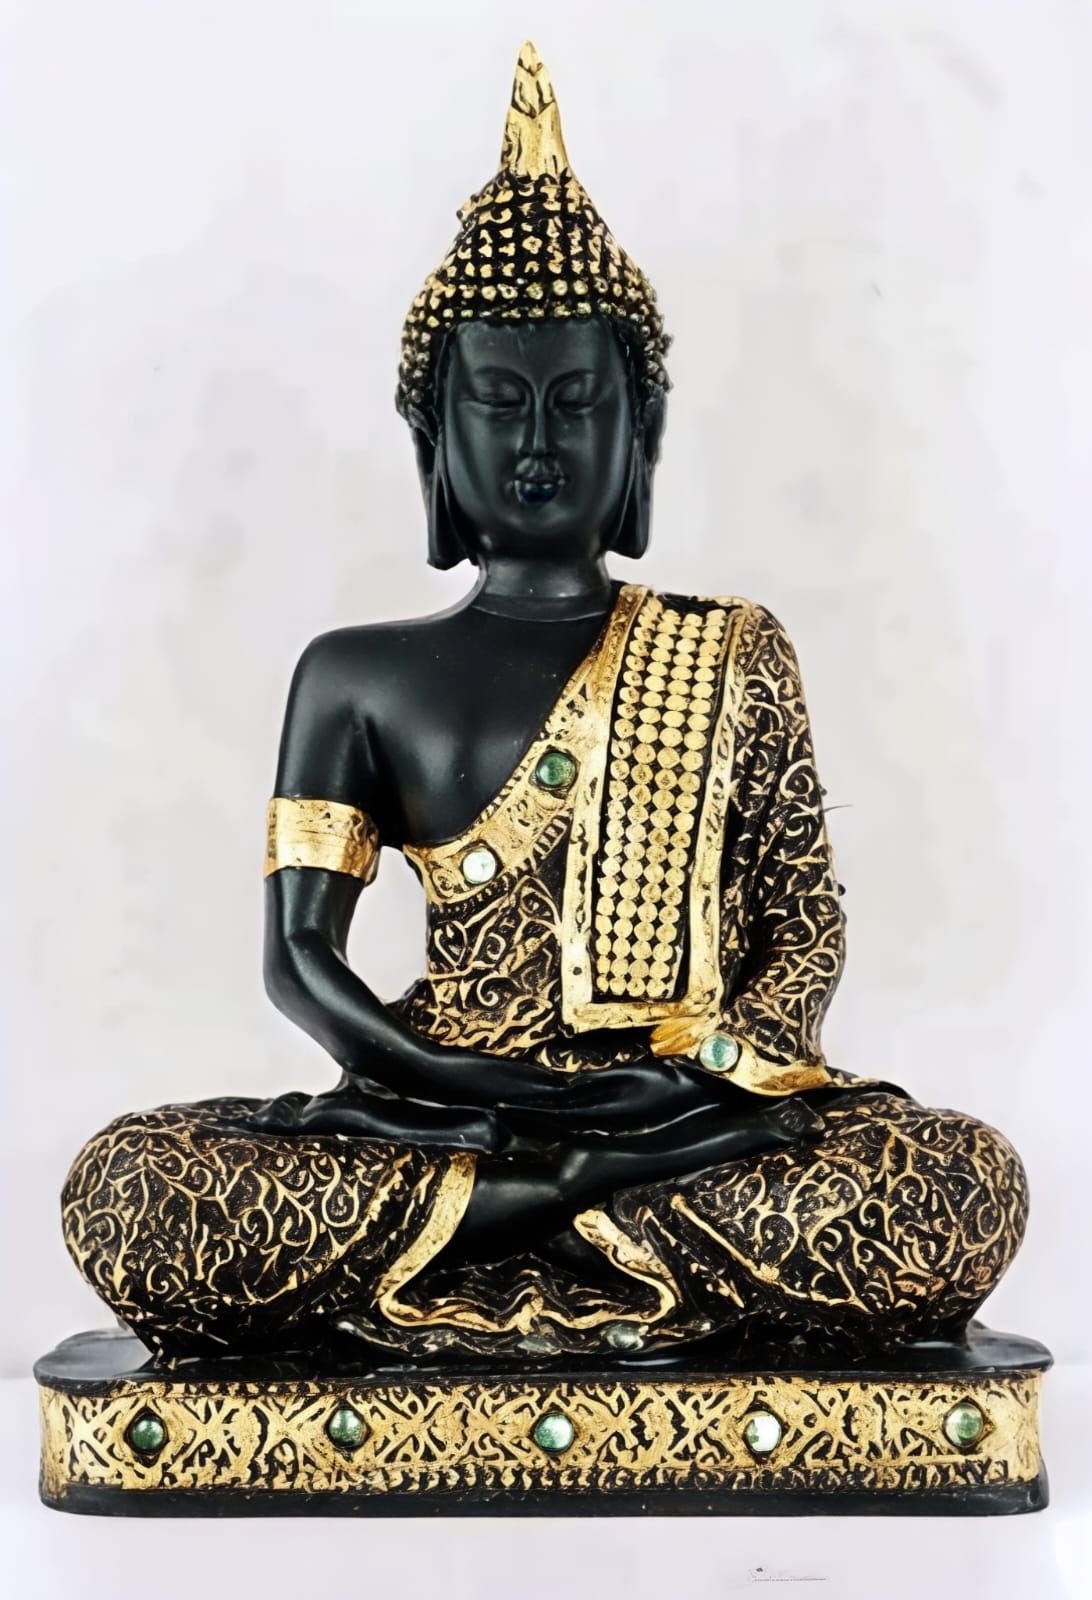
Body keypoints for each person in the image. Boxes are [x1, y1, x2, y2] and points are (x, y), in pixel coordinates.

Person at [62, 44, 1027, 1364]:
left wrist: (700, 1076)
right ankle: (559, 1201)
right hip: (435, 1113)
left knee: (958, 1184)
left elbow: (804, 931)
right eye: (497, 403)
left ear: (641, 435)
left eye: (576, 404)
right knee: (130, 1186)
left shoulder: (734, 652)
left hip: (684, 1119)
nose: (535, 443)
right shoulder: (353, 675)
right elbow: (299, 960)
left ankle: (518, 1214)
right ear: (432, 438)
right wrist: (460, 1085)